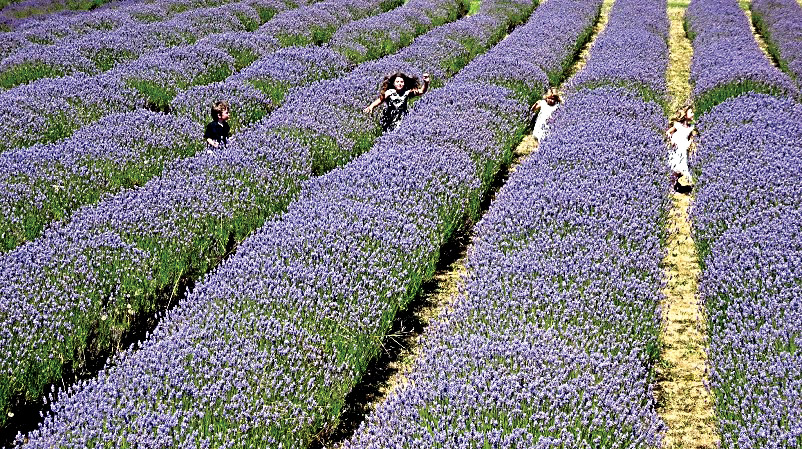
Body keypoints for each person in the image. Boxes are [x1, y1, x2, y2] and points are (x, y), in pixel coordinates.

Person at [364, 72, 430, 132]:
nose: (399, 84)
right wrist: (371, 106)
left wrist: (426, 83)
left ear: (404, 83)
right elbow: (380, 100)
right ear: (393, 83)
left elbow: (421, 91)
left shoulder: (407, 92)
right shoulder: (389, 92)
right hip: (389, 119)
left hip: (402, 119)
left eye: (401, 82)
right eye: (397, 82)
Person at [666, 105, 697, 193]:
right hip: (676, 149)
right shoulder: (678, 125)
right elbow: (668, 132)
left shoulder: (691, 127)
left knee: (683, 168)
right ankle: (672, 186)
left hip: (683, 149)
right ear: (685, 115)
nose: (693, 114)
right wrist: (671, 140)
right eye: (691, 112)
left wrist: (690, 143)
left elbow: (691, 138)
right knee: (675, 169)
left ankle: (692, 187)